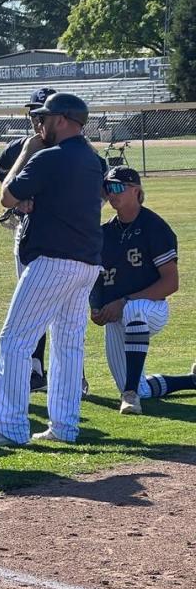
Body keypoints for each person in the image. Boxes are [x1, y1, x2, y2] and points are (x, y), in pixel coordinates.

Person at [0, 93, 103, 448]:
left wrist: (28, 150)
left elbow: (6, 196)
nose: (39, 123)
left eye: (44, 117)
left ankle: (10, 427)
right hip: (87, 262)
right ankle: (64, 426)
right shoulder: (93, 160)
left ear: (62, 120)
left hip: (52, 260)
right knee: (68, 345)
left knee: (14, 341)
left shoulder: (48, 155)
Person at [90, 167, 194, 414]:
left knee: (134, 310)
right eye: (107, 188)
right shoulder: (104, 233)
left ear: (136, 190)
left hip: (152, 309)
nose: (110, 193)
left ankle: (130, 395)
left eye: (116, 187)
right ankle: (190, 381)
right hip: (116, 314)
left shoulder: (154, 227)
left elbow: (171, 283)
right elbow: (96, 278)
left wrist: (125, 301)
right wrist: (95, 306)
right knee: (139, 383)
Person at [0, 87, 57, 392]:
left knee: (64, 306)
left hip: (65, 232)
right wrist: (18, 201)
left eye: (41, 111)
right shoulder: (21, 146)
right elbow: (1, 169)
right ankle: (35, 368)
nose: (36, 118)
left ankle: (71, 372)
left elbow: (99, 183)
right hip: (28, 229)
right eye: (33, 112)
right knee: (32, 299)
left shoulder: (73, 147)